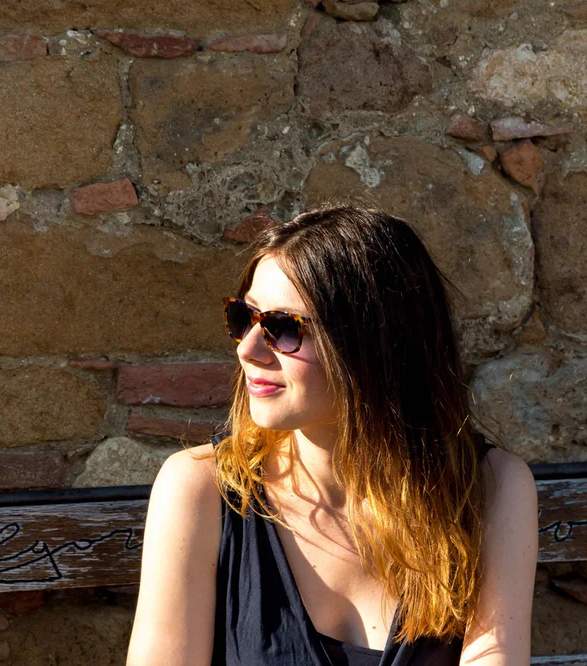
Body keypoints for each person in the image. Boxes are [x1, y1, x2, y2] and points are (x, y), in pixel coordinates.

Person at [125, 203, 539, 666]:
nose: (248, 349)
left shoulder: (489, 488)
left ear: (373, 344)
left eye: (283, 328)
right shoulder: (201, 490)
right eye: (244, 317)